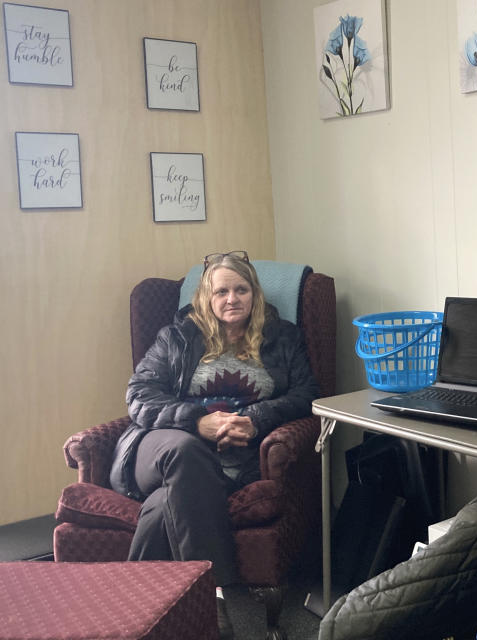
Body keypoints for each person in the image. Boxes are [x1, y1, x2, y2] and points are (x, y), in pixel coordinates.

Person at [109, 251, 320, 639]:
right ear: (207, 296)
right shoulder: (178, 336)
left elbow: (308, 393)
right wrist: (197, 422)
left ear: (254, 293)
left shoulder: (282, 336)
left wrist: (256, 419)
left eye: (241, 289)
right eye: (221, 291)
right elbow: (139, 395)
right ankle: (212, 596)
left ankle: (132, 612)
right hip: (161, 445)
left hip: (231, 458)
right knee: (184, 452)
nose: (231, 299)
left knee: (164, 506)